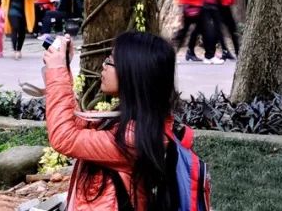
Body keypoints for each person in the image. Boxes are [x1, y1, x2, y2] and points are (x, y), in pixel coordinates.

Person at [43, 31, 209, 210]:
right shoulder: (135, 122)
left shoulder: (133, 139)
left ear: (134, 73)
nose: (104, 65)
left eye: (111, 61)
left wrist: (57, 70)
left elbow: (64, 137)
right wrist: (63, 66)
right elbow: (75, 126)